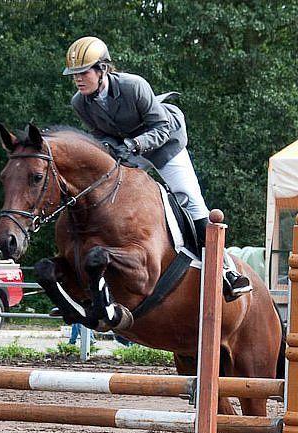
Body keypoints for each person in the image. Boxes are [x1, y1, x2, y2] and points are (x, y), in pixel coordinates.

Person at [62, 36, 251, 299]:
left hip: (164, 144)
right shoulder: (79, 102)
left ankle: (226, 271)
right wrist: (110, 147)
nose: (78, 79)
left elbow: (161, 126)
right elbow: (99, 133)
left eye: (83, 73)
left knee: (189, 198)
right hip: (129, 150)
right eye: (74, 75)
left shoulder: (133, 86)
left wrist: (134, 144)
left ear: (102, 69)